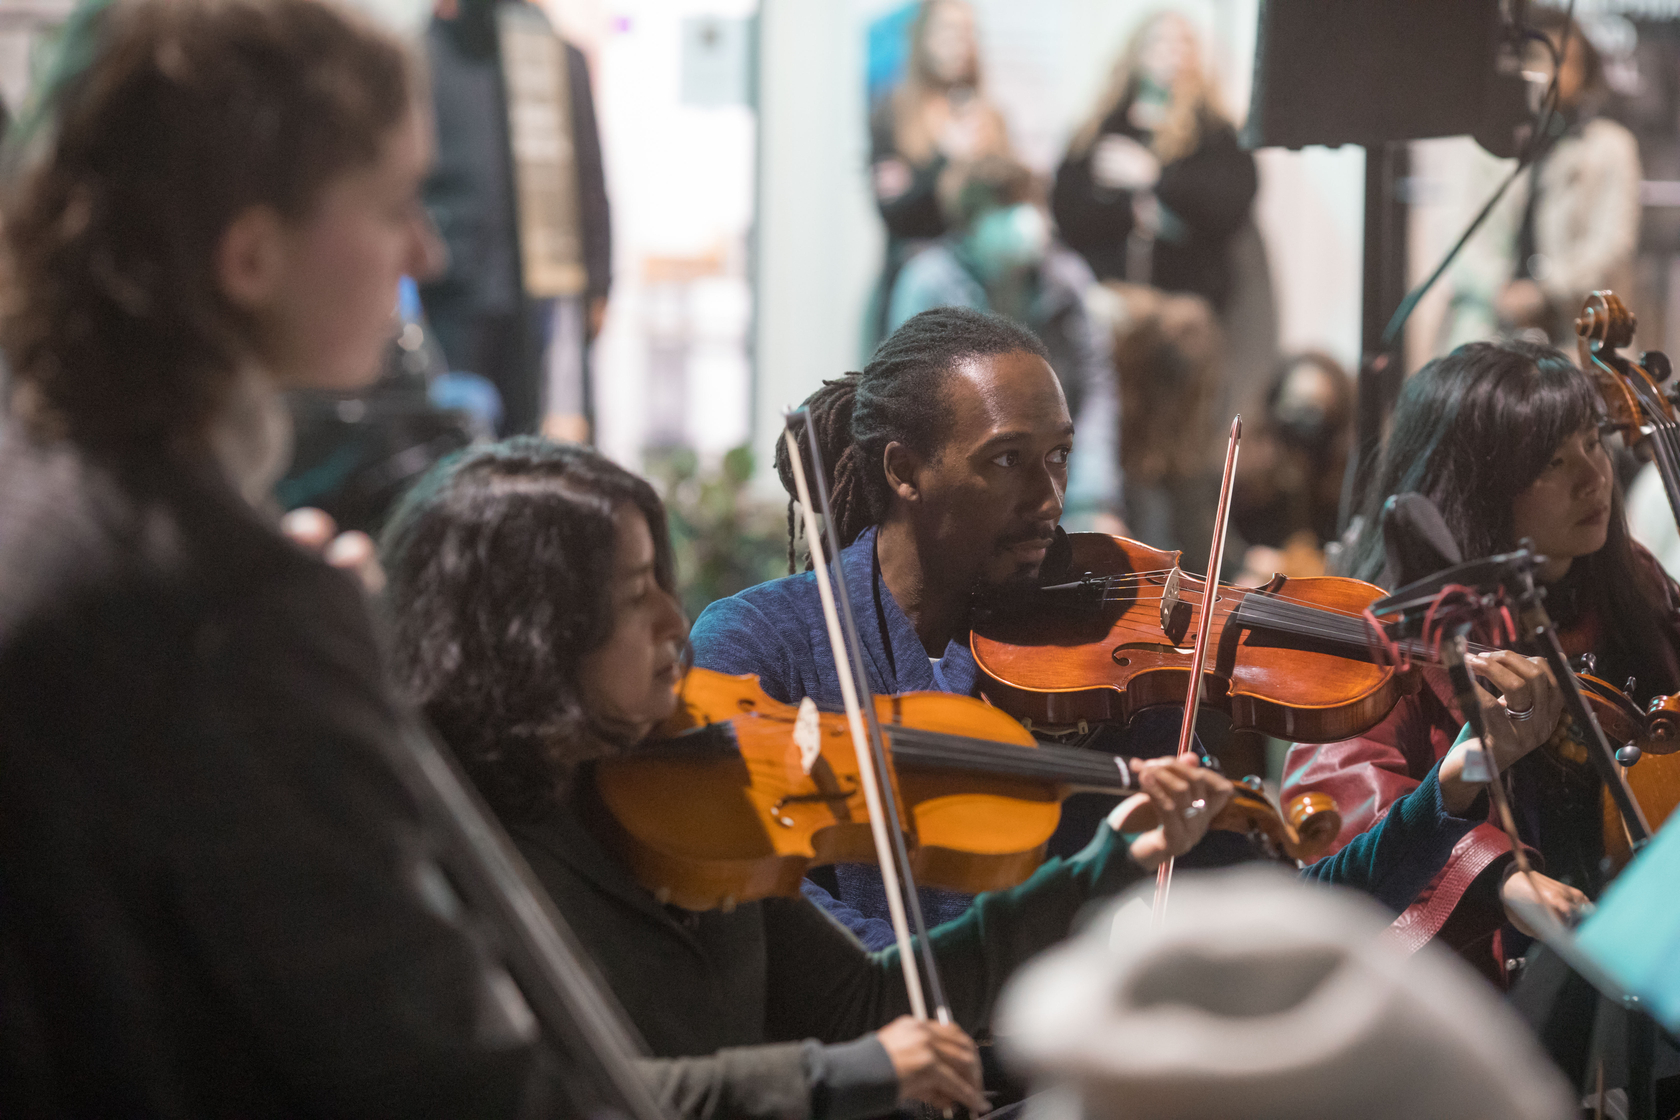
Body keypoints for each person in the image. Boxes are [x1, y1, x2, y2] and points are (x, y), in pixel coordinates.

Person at [0, 0, 617, 1112]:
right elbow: (452, 1082)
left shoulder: (50, 483)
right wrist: (302, 652)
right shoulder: (238, 617)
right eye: (393, 205)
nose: (424, 250)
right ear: (249, 253)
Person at [378, 436, 1235, 1120]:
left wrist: (1099, 867)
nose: (675, 623)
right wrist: (832, 1078)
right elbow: (568, 1092)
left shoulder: (697, 783)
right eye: (635, 594)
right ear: (535, 632)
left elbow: (860, 1000)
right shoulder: (453, 849)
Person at [689, 308, 1541, 949]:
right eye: (1007, 461)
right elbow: (768, 922)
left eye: (1058, 456)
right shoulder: (762, 644)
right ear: (904, 471)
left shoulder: (1105, 672)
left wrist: (1453, 787)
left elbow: (1293, 914)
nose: (1049, 501)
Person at [1284, 339, 1680, 982]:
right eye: (1553, 460)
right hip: (1482, 991)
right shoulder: (1390, 643)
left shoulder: (1631, 582)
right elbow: (1344, 851)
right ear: (1475, 488)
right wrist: (1497, 877)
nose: (1593, 476)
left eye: (1590, 442)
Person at [1051, 13, 1259, 557]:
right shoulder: (1102, 126)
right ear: (1135, 51)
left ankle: (1187, 545)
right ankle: (1111, 537)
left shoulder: (1214, 132)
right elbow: (1069, 210)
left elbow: (1225, 207)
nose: (1170, 52)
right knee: (1108, 425)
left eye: (1182, 42)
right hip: (1109, 306)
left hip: (1182, 312)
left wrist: (1151, 177)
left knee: (1179, 438)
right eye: (1160, 40)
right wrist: (1145, 208)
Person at [885, 156, 1118, 521]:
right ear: (969, 222)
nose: (1023, 218)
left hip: (1059, 478)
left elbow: (1095, 388)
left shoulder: (1068, 280)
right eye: (1006, 206)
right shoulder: (927, 283)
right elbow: (906, 400)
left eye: (1027, 203)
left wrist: (1091, 496)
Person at [421, 0, 611, 438]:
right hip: (450, 289)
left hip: (531, 288)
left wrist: (599, 281)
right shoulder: (425, 56)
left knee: (521, 431)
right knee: (449, 435)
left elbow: (588, 175)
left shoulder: (555, 58)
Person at [1444, 9, 1640, 348]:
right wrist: (1499, 291)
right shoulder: (1491, 142)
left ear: (1586, 71)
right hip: (1492, 326)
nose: (1551, 72)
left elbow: (1611, 246)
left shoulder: (1610, 146)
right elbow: (1462, 237)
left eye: (1565, 61)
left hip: (1573, 327)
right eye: (1536, 58)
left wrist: (1544, 291)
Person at [869, 0, 1009, 345]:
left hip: (981, 288)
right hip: (911, 289)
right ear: (923, 38)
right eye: (946, 31)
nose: (957, 43)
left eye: (965, 33)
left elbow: (1005, 202)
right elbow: (897, 215)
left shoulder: (991, 119)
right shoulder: (893, 114)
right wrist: (947, 159)